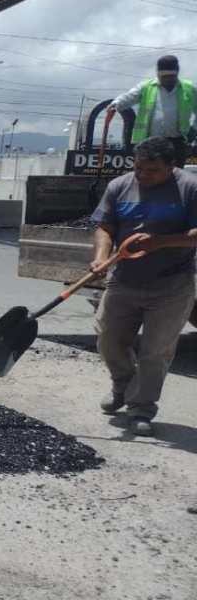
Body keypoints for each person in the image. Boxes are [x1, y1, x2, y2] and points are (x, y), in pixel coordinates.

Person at [91, 136, 197, 435]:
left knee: (155, 351)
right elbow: (105, 226)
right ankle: (122, 385)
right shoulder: (119, 186)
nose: (142, 175)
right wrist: (101, 257)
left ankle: (141, 408)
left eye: (152, 170)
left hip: (171, 284)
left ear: (171, 166)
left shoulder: (190, 188)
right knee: (108, 338)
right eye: (138, 168)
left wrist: (160, 242)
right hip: (124, 279)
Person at [110, 55, 195, 166]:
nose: (168, 79)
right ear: (158, 74)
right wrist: (115, 104)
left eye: (171, 76)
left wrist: (194, 129)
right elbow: (129, 97)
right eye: (164, 76)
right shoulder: (146, 87)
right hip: (149, 142)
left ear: (177, 73)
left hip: (177, 142)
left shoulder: (188, 88)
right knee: (148, 172)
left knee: (174, 173)